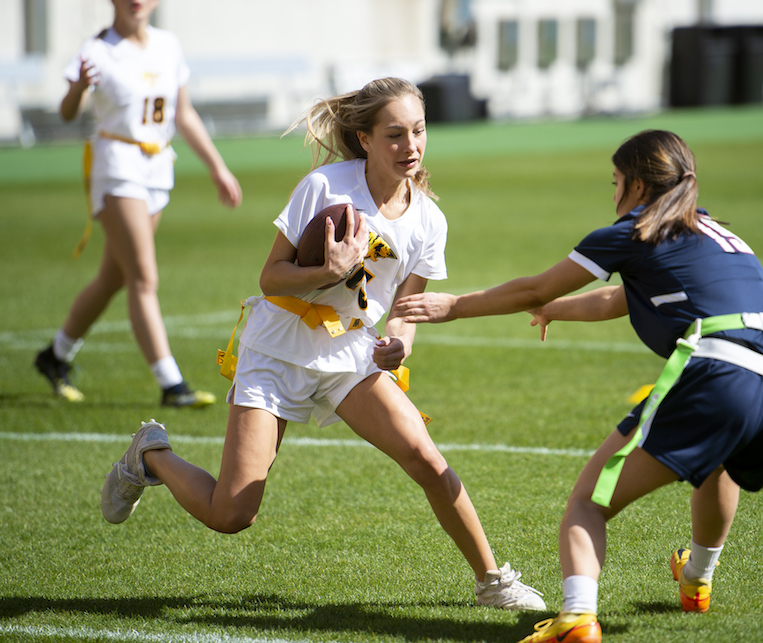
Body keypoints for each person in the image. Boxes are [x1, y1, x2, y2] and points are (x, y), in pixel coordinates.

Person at [99, 77, 545, 611]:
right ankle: (152, 454)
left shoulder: (430, 220)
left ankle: (493, 582)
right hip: (276, 350)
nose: (411, 146)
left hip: (350, 356)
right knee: (232, 514)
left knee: (427, 458)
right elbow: (270, 278)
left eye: (419, 132)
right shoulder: (324, 188)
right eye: (395, 135)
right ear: (365, 140)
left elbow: (405, 313)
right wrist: (326, 271)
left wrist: (399, 346)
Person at [396, 129, 763, 643]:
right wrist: (554, 311)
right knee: (718, 462)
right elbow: (620, 300)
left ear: (637, 185)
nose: (613, 192)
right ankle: (696, 579)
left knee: (588, 504)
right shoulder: (716, 234)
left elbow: (534, 285)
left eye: (615, 181)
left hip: (723, 374)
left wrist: (454, 305)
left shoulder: (629, 233)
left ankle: (576, 618)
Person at [34, 0, 242, 407]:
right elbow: (66, 112)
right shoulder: (97, 49)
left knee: (114, 277)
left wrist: (217, 167)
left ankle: (53, 356)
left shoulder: (167, 44)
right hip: (116, 168)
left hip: (157, 169)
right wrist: (76, 88)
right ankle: (171, 384)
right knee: (143, 277)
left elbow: (183, 113)